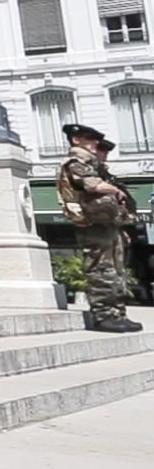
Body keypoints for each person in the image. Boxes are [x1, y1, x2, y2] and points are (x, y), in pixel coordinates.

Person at [57, 123, 142, 333]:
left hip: (107, 226)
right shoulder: (76, 163)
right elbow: (92, 186)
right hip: (93, 227)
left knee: (117, 272)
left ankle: (118, 314)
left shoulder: (95, 165)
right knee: (101, 270)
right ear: (76, 140)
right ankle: (104, 316)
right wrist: (115, 190)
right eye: (90, 138)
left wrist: (120, 227)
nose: (96, 143)